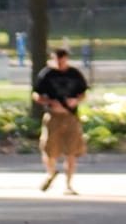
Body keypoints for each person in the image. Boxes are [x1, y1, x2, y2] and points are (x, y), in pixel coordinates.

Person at [33, 44, 89, 194]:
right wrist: (49, 102)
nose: (60, 64)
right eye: (57, 61)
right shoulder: (46, 74)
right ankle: (51, 173)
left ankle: (68, 185)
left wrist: (75, 101)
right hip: (53, 116)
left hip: (71, 116)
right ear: (53, 59)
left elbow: (83, 93)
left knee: (71, 151)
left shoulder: (74, 74)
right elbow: (36, 95)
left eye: (63, 61)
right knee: (50, 150)